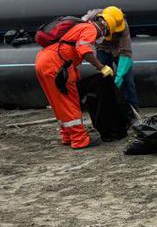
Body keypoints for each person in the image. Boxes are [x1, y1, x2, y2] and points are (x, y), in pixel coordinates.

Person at [34, 13, 115, 149]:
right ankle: (79, 140)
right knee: (69, 101)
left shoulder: (80, 26)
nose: (101, 38)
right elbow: (84, 50)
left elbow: (70, 49)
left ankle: (67, 136)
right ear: (104, 27)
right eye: (104, 34)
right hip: (56, 64)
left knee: (58, 102)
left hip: (43, 61)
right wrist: (101, 67)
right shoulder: (91, 29)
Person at [82, 6, 136, 114]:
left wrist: (120, 75)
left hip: (118, 49)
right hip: (102, 49)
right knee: (104, 80)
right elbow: (84, 44)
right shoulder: (91, 20)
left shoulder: (123, 26)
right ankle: (108, 109)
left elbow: (126, 52)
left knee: (127, 81)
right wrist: (100, 66)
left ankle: (131, 110)